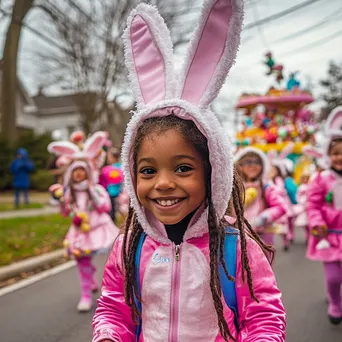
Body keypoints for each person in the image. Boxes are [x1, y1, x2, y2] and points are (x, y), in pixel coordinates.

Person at [92, 1, 286, 341]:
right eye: (148, 171)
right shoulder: (129, 246)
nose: (163, 183)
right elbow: (114, 309)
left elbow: (263, 318)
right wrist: (108, 335)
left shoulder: (235, 246)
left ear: (213, 171)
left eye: (182, 168)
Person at [48, 131, 119, 312]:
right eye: (76, 172)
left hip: (97, 229)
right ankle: (86, 294)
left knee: (105, 259)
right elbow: (65, 213)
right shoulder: (68, 192)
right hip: (79, 232)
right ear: (71, 174)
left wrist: (93, 193)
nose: (79, 175)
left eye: (82, 171)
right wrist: (62, 202)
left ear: (87, 173)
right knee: (81, 261)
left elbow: (105, 208)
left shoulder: (96, 189)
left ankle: (104, 284)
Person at [306, 106, 342, 325]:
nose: (340, 157)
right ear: (328, 155)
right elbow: (313, 203)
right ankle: (335, 302)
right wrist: (317, 222)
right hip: (328, 236)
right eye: (336, 152)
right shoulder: (322, 179)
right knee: (333, 277)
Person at [235, 147, 286, 248]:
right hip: (239, 235)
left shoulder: (266, 186)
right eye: (247, 162)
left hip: (262, 235)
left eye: (256, 162)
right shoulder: (235, 187)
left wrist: (263, 217)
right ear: (240, 165)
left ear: (262, 166)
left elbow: (281, 207)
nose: (252, 165)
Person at [99, 147, 124, 222]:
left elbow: (101, 182)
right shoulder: (122, 168)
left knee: (112, 211)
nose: (108, 159)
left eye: (109, 157)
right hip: (121, 193)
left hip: (110, 192)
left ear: (113, 157)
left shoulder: (106, 170)